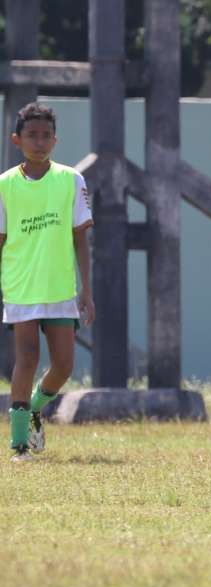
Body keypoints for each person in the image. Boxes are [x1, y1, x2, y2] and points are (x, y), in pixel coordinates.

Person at [1, 102, 95, 462]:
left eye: (45, 136)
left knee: (64, 365)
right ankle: (19, 445)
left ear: (55, 141)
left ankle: (36, 408)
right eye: (31, 135)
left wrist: (87, 289)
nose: (39, 142)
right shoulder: (5, 185)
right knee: (26, 358)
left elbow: (80, 238)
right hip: (21, 286)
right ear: (16, 139)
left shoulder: (71, 180)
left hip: (59, 286)